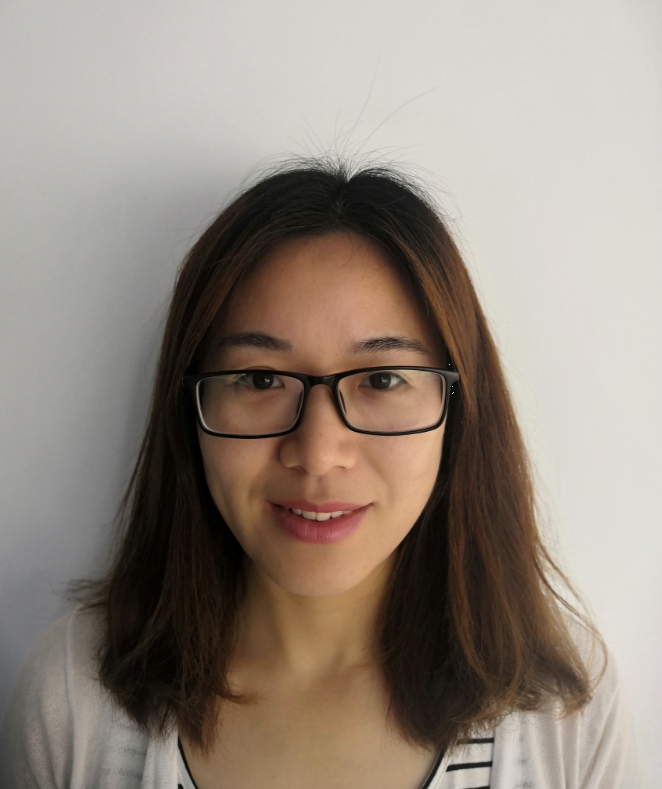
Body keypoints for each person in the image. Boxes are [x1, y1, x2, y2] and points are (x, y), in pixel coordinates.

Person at [1, 158, 638, 788]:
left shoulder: (564, 712)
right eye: (260, 379)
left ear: (460, 409)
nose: (318, 453)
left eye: (382, 379)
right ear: (188, 407)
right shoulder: (76, 698)